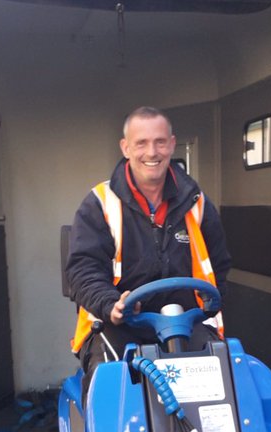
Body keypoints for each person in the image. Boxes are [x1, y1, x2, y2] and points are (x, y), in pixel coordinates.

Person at [66, 106, 231, 389]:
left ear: (172, 144)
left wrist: (207, 306)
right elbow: (82, 269)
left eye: (160, 142)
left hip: (187, 322)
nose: (152, 152)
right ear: (126, 147)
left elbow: (219, 266)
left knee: (224, 377)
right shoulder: (99, 203)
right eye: (141, 143)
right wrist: (111, 304)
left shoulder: (198, 203)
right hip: (118, 324)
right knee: (110, 384)